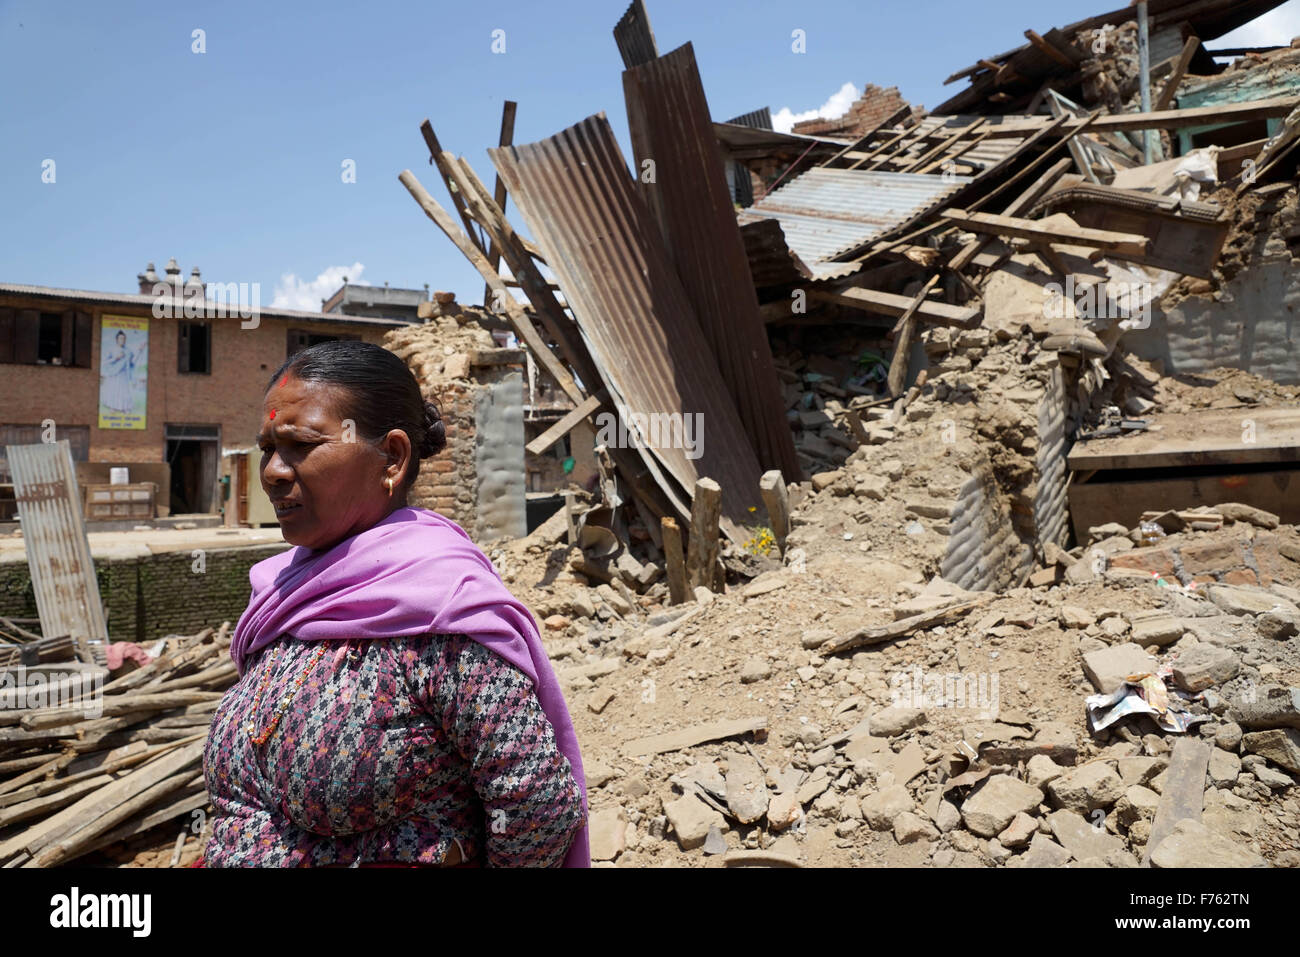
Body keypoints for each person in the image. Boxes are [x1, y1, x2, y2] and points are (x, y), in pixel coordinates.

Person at [199, 340, 588, 867]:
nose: (271, 470)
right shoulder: (281, 597)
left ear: (393, 458)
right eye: (268, 447)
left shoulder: (439, 615)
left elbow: (538, 804)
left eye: (300, 445)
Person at [100, 330, 140, 413]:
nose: (122, 340)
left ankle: (125, 408)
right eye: (121, 338)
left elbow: (132, 363)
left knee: (124, 391)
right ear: (117, 339)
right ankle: (113, 407)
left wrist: (139, 351)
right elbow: (104, 362)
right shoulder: (112, 349)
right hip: (114, 374)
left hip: (124, 375)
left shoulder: (129, 351)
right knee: (113, 391)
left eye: (124, 339)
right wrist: (116, 358)